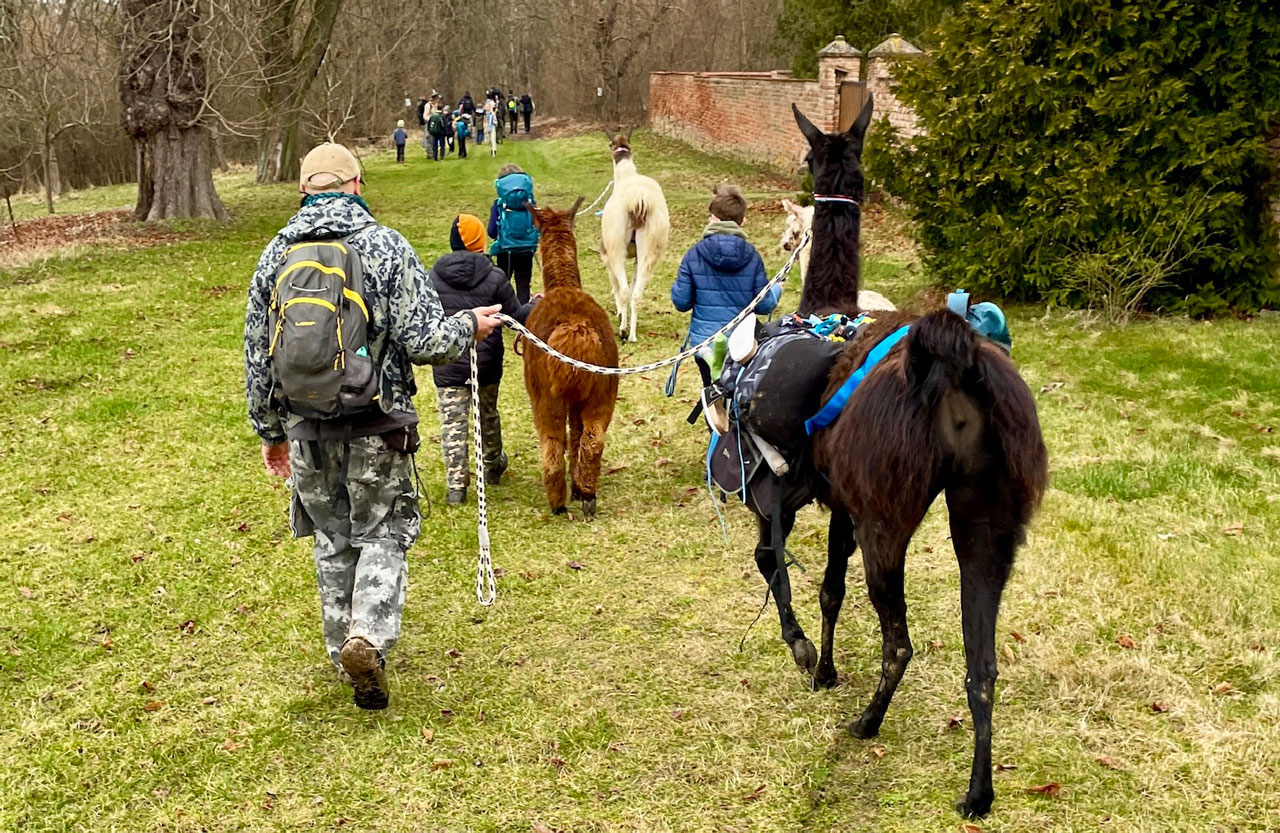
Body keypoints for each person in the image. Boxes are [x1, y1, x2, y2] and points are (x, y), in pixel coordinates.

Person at [244, 142, 502, 710]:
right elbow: (425, 342)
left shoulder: (274, 256)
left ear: (305, 189)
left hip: (306, 427)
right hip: (378, 423)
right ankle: (369, 635)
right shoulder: (386, 247)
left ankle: (345, 654)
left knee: (333, 539)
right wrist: (470, 325)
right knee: (382, 530)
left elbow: (257, 356)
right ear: (356, 185)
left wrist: (270, 431)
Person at [428, 215, 536, 504]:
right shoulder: (495, 276)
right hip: (486, 363)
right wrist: (535, 305)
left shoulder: (432, 277)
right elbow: (515, 317)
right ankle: (492, 466)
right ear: (480, 242)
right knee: (487, 414)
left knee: (452, 422)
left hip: (447, 361)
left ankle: (456, 487)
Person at [670, 184, 779, 387]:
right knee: (738, 394)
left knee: (711, 392)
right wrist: (777, 289)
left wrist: (677, 287)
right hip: (742, 345)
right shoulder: (753, 257)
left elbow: (681, 302)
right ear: (742, 221)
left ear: (713, 218)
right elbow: (764, 305)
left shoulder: (694, 255)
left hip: (705, 344)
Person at [487, 164, 539, 303]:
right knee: (523, 284)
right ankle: (523, 316)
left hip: (505, 250)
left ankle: (501, 313)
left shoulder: (498, 205)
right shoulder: (531, 204)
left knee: (503, 283)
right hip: (526, 249)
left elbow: (491, 232)